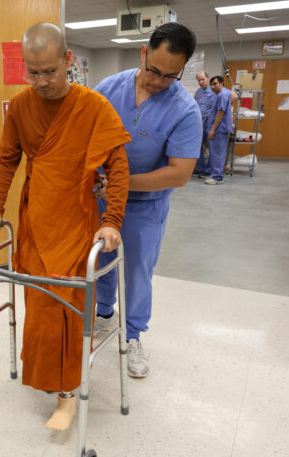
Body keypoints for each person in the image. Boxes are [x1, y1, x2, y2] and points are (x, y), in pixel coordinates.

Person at [0, 22, 130, 431]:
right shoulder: (21, 106)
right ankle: (49, 379)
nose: (42, 81)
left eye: (50, 71)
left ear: (68, 61)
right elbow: (5, 159)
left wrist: (112, 220)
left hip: (77, 223)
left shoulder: (94, 106)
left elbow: (118, 168)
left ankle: (67, 393)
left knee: (68, 308)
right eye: (33, 72)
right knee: (41, 308)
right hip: (34, 220)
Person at [92, 23, 202, 378]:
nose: (157, 81)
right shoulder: (108, 89)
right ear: (143, 52)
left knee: (138, 272)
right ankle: (104, 312)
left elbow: (179, 173)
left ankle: (134, 334)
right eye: (153, 70)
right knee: (100, 260)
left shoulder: (185, 110)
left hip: (144, 206)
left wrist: (122, 186)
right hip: (100, 199)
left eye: (169, 76)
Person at [205, 75, 232, 185]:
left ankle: (218, 177)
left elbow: (221, 113)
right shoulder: (223, 93)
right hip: (219, 129)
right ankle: (216, 174)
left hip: (219, 129)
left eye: (215, 84)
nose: (213, 86)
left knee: (218, 153)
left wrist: (212, 129)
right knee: (216, 153)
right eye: (211, 85)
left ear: (222, 83)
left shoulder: (222, 95)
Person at [193, 70, 215, 177]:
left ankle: (210, 170)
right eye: (199, 80)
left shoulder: (214, 92)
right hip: (199, 125)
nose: (201, 82)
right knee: (197, 147)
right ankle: (200, 168)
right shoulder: (198, 92)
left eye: (203, 79)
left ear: (208, 78)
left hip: (211, 125)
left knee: (212, 148)